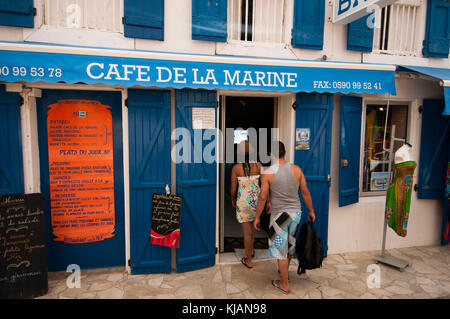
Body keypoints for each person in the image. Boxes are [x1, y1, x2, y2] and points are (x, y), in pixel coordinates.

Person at [253, 141, 315, 294]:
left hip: (280, 216)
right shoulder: (297, 170)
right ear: (285, 152)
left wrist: (257, 217)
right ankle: (284, 272)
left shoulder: (268, 173)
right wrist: (311, 210)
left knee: (280, 250)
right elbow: (305, 192)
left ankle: (284, 284)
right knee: (289, 246)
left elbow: (262, 196)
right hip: (296, 214)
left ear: (271, 154)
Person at [231, 140, 262, 269]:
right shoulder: (259, 166)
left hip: (243, 202)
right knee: (253, 228)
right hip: (256, 201)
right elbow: (265, 186)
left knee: (247, 233)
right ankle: (252, 250)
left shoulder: (236, 168)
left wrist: (233, 199)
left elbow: (233, 188)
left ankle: (248, 260)